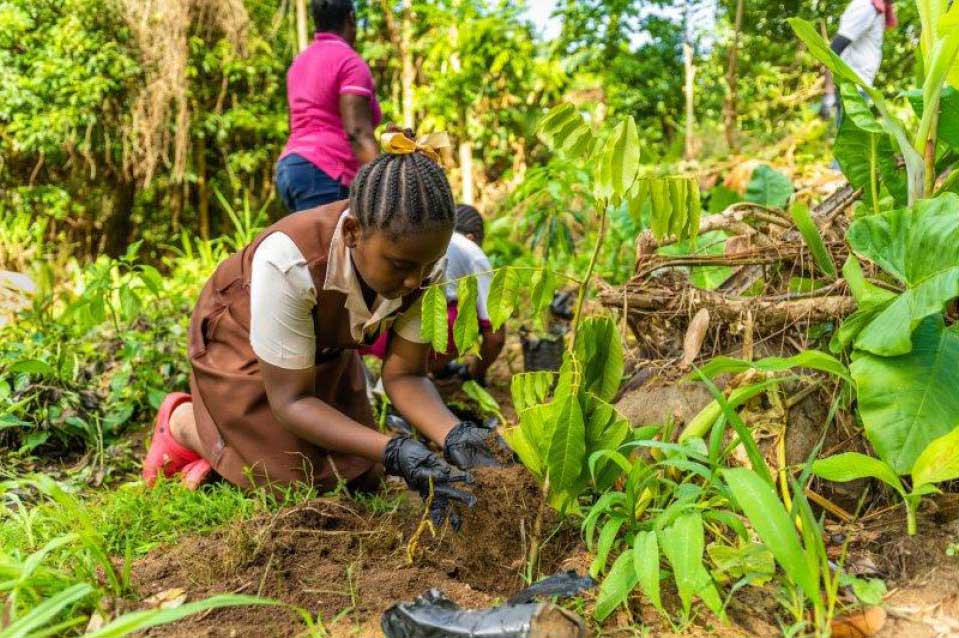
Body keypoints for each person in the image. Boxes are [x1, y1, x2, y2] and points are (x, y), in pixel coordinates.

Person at [143, 137, 499, 525]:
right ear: (352, 234)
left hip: (320, 347)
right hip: (238, 339)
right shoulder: (289, 261)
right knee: (293, 483)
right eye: (399, 265)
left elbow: (405, 375)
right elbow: (292, 402)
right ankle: (185, 423)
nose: (415, 281)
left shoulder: (423, 263)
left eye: (427, 266)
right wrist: (396, 450)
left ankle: (234, 438)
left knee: (362, 477)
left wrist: (455, 436)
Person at [360, 204, 506, 386]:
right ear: (471, 237)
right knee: (472, 318)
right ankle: (412, 375)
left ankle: (366, 381)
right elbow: (495, 337)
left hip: (372, 330)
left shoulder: (419, 235)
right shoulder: (473, 252)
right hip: (426, 336)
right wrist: (472, 372)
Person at [275, 0, 381, 213]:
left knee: (312, 246)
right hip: (325, 171)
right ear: (351, 18)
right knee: (331, 245)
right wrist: (384, 182)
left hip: (291, 168)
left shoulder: (299, 62)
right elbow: (357, 131)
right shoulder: (349, 62)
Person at [822, 0, 897, 123]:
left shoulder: (877, 8)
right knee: (849, 139)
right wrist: (829, 90)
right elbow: (835, 49)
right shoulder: (866, 8)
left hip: (860, 85)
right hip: (852, 87)